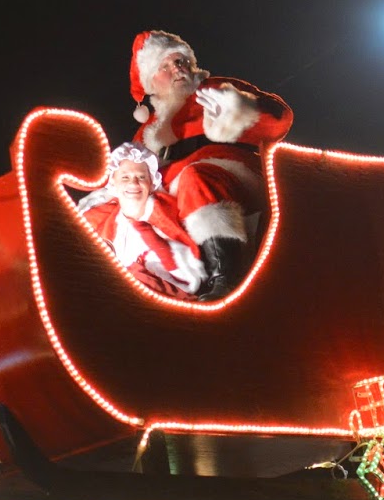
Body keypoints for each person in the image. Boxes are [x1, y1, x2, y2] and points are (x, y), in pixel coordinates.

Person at [122, 29, 293, 300]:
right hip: (174, 201)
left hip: (229, 178)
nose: (177, 69)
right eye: (165, 66)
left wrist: (235, 109)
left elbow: (279, 122)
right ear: (151, 82)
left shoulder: (215, 89)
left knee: (195, 178)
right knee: (123, 212)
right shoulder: (146, 131)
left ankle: (226, 277)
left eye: (180, 61)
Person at [80, 143, 206, 298]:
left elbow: (189, 278)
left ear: (151, 182)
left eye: (141, 177)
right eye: (125, 177)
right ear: (113, 182)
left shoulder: (166, 217)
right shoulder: (100, 223)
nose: (133, 183)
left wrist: (152, 238)